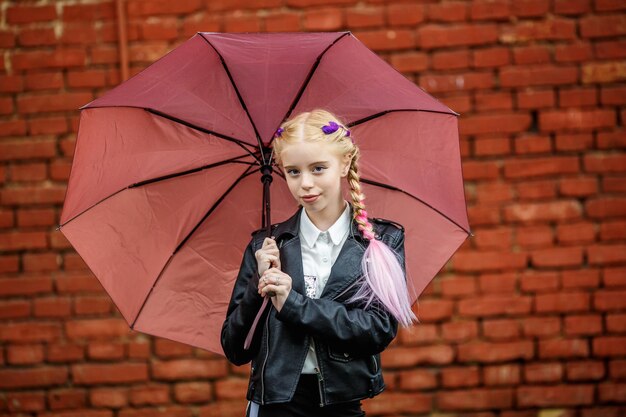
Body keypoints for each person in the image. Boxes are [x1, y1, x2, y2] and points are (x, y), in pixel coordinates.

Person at [221, 109, 416, 417]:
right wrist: (257, 288)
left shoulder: (380, 241)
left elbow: (378, 330)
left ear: (344, 164)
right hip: (277, 404)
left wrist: (293, 304)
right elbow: (235, 348)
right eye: (294, 172)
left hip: (341, 404)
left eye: (318, 168)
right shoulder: (266, 246)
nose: (305, 184)